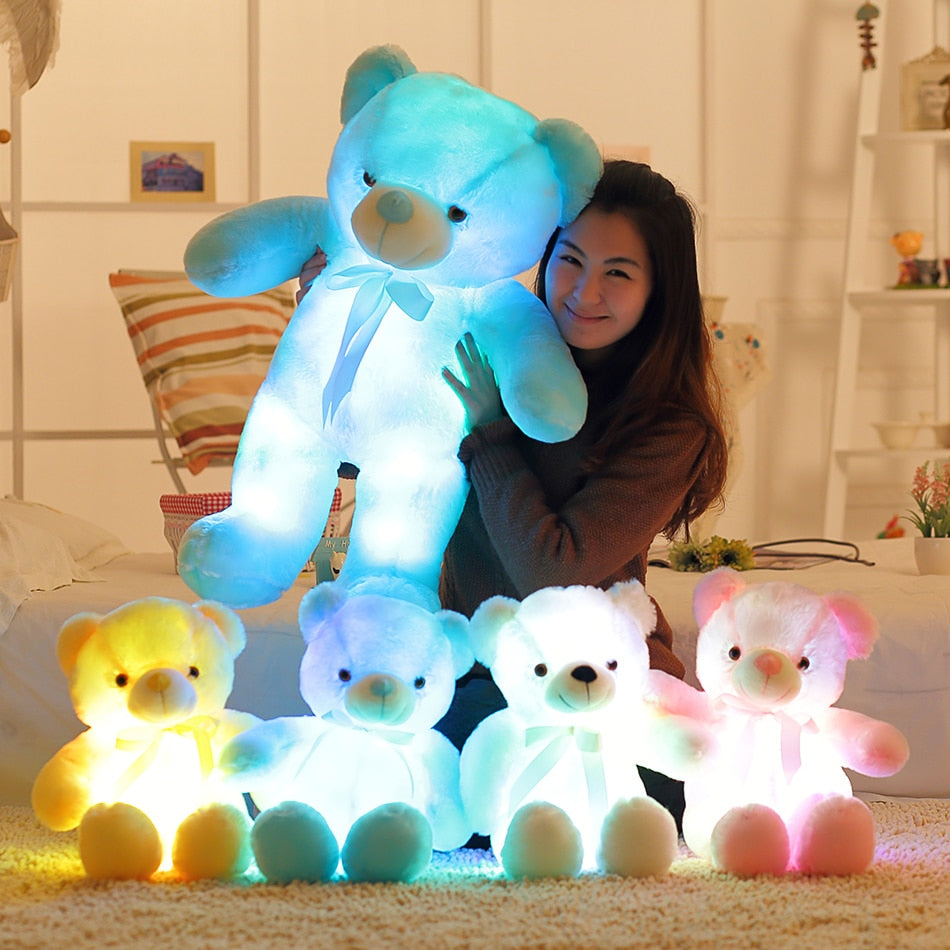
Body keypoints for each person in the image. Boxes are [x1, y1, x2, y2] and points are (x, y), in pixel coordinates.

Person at [298, 160, 729, 829]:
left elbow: (552, 570)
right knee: (336, 761)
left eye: (618, 273)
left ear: (659, 291)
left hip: (600, 687)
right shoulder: (488, 347)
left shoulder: (668, 426)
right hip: (473, 665)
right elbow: (364, 445)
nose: (584, 291)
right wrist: (330, 310)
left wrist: (491, 434)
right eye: (570, 260)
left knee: (494, 776)